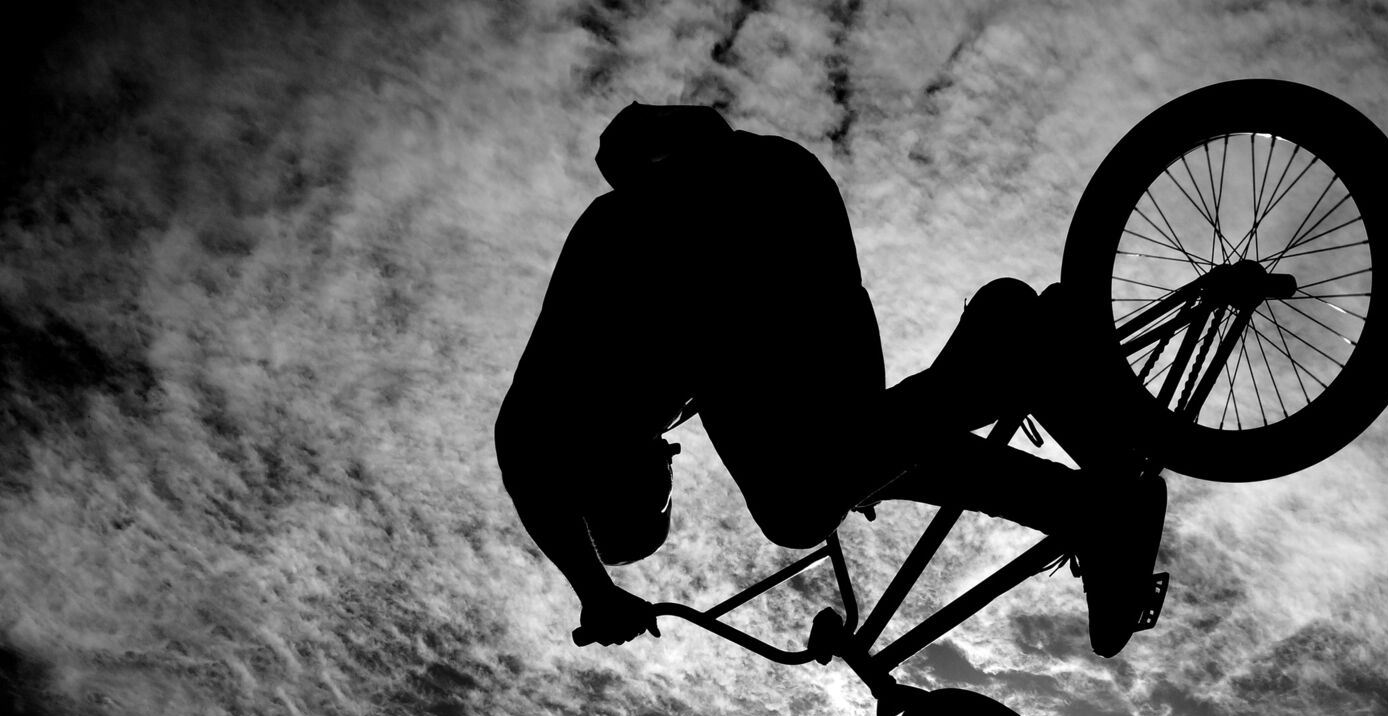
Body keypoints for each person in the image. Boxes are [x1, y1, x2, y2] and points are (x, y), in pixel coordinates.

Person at [496, 102, 1165, 657]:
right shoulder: (647, 393)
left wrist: (594, 592)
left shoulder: (566, 407)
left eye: (655, 498)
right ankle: (1084, 506)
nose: (669, 463)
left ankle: (1005, 351)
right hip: (784, 210)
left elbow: (520, 454)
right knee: (863, 458)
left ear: (605, 484)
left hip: (740, 220)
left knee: (796, 504)